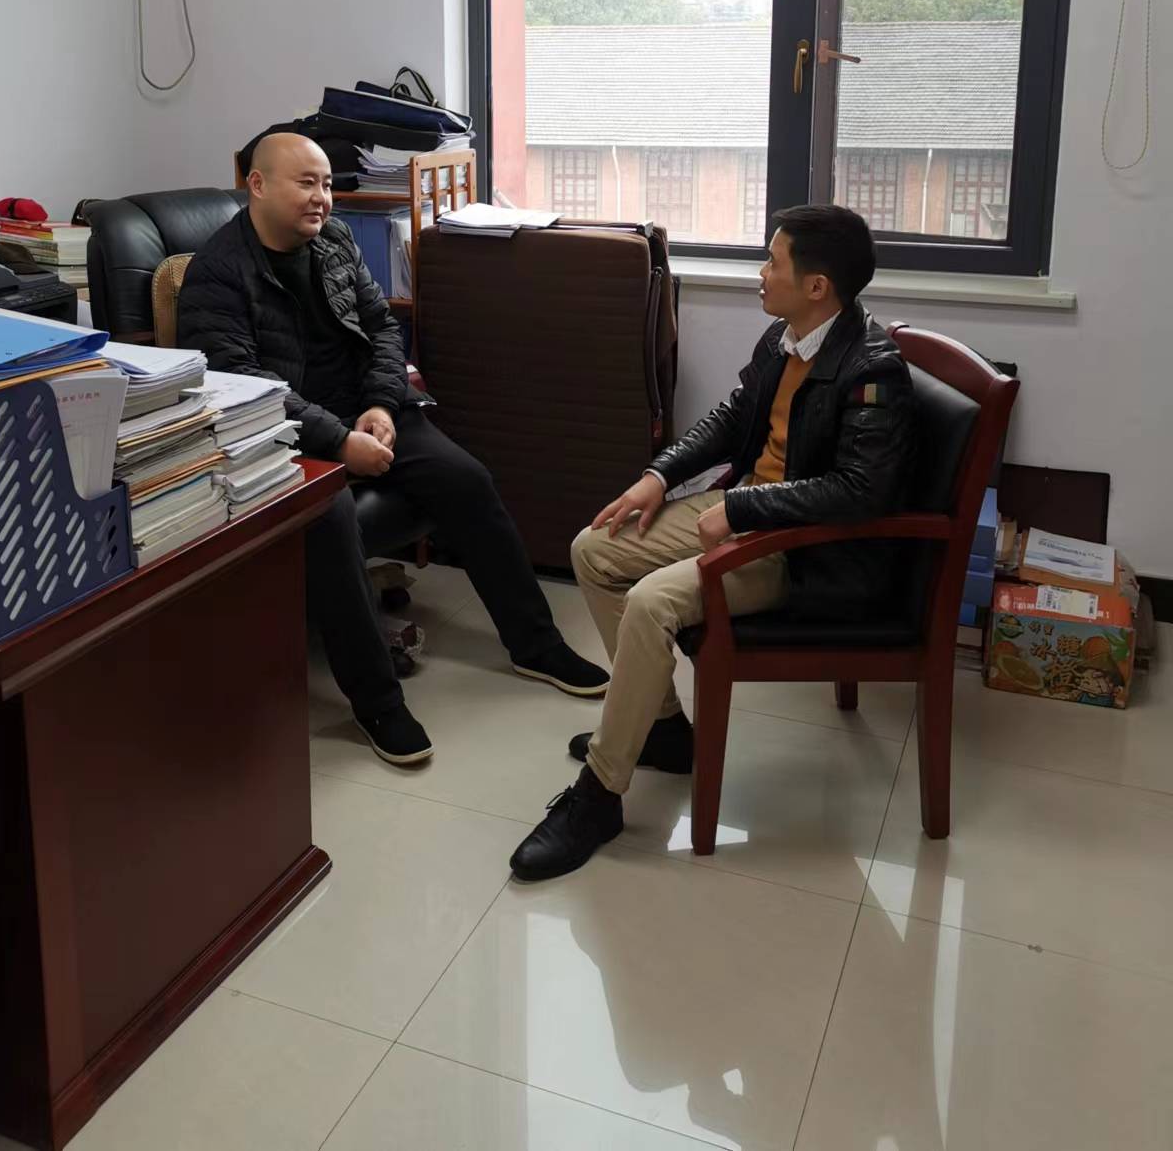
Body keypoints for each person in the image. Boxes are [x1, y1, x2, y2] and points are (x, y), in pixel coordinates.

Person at [509, 204, 915, 881]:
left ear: (817, 286)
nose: (761, 273)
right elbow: (733, 417)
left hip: (801, 548)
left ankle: (599, 797)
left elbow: (859, 491)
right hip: (747, 507)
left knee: (651, 602)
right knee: (594, 549)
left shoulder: (873, 369)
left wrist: (743, 507)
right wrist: (658, 476)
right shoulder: (786, 336)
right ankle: (665, 730)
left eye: (773, 262)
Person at [178, 132, 609, 767]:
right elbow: (243, 385)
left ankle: (535, 644)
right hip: (283, 436)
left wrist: (381, 406)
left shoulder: (335, 241)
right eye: (306, 183)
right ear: (259, 185)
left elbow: (382, 327)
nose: (322, 198)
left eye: (327, 184)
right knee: (331, 519)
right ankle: (377, 702)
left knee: (466, 478)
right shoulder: (215, 274)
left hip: (367, 409)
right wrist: (337, 441)